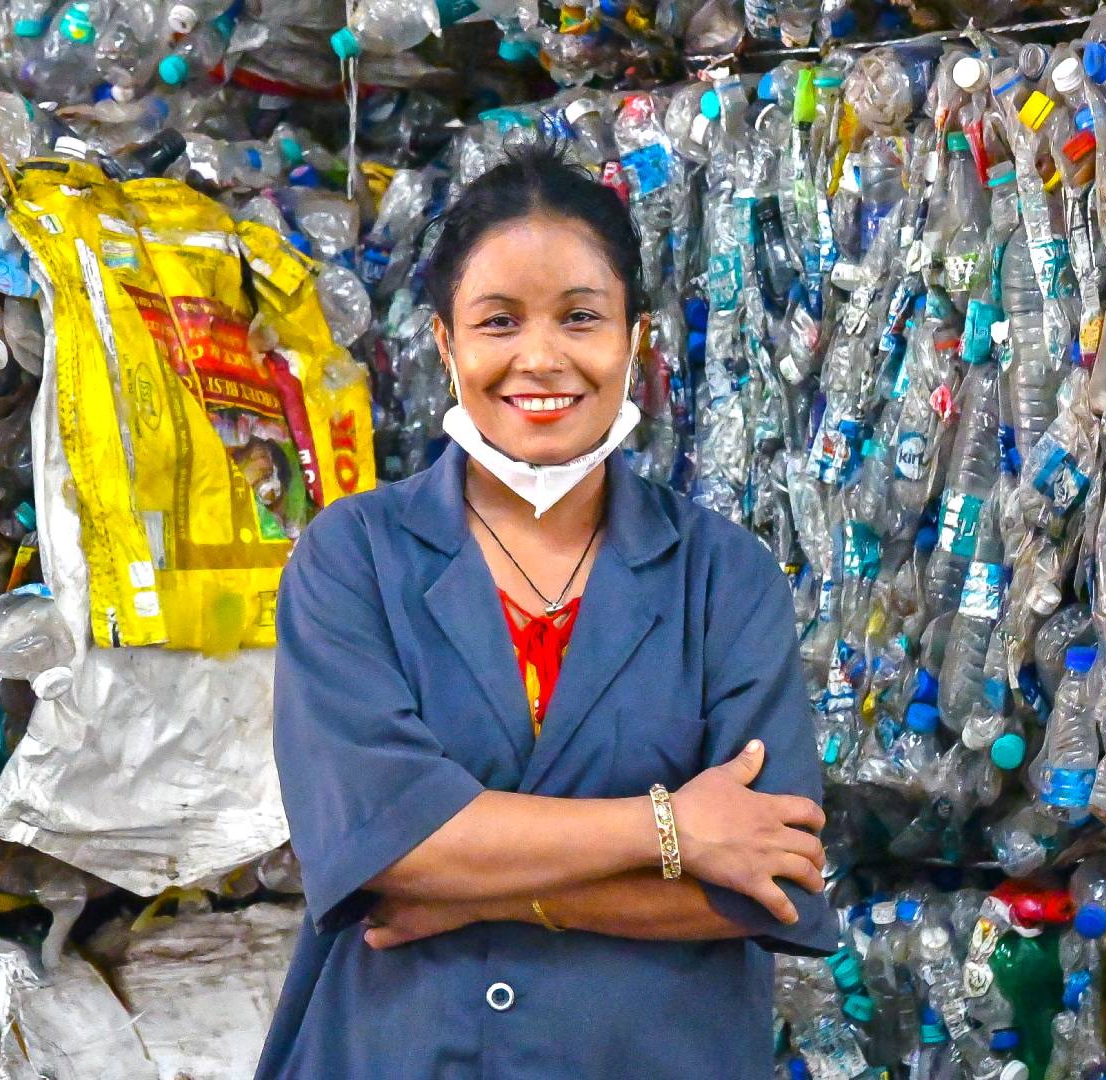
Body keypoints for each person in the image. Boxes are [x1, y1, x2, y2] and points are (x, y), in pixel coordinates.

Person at [256, 144, 835, 1078]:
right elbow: (378, 847)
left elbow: (773, 880)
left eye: (580, 317)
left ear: (634, 339)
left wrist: (486, 888)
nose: (541, 357)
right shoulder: (354, 557)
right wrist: (673, 832)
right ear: (446, 345)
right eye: (497, 321)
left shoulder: (724, 577)